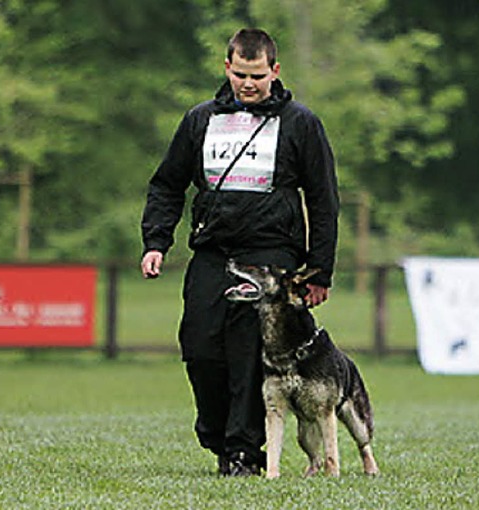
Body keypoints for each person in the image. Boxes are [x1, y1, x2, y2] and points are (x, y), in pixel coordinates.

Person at [140, 28, 339, 476]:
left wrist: (319, 270)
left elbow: (323, 200)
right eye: (241, 75)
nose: (248, 84)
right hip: (213, 254)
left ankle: (244, 453)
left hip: (273, 257)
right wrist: (156, 241)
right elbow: (167, 186)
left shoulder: (300, 123)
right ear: (226, 67)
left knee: (252, 356)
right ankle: (218, 436)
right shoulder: (199, 120)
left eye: (257, 75)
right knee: (200, 349)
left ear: (275, 71)